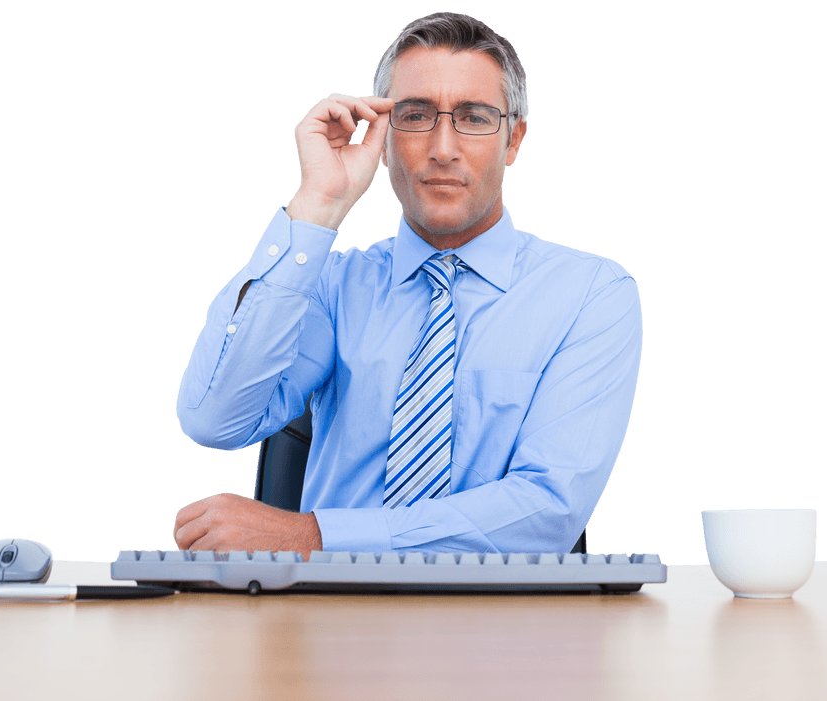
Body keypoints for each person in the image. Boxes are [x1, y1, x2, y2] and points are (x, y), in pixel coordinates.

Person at [172, 12, 643, 558]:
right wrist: (317, 208)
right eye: (416, 115)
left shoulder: (591, 294)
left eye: (473, 117)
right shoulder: (328, 284)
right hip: (324, 629)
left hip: (506, 632)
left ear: (513, 139)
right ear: (384, 134)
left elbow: (548, 511)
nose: (443, 147)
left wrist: (317, 538)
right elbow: (213, 418)